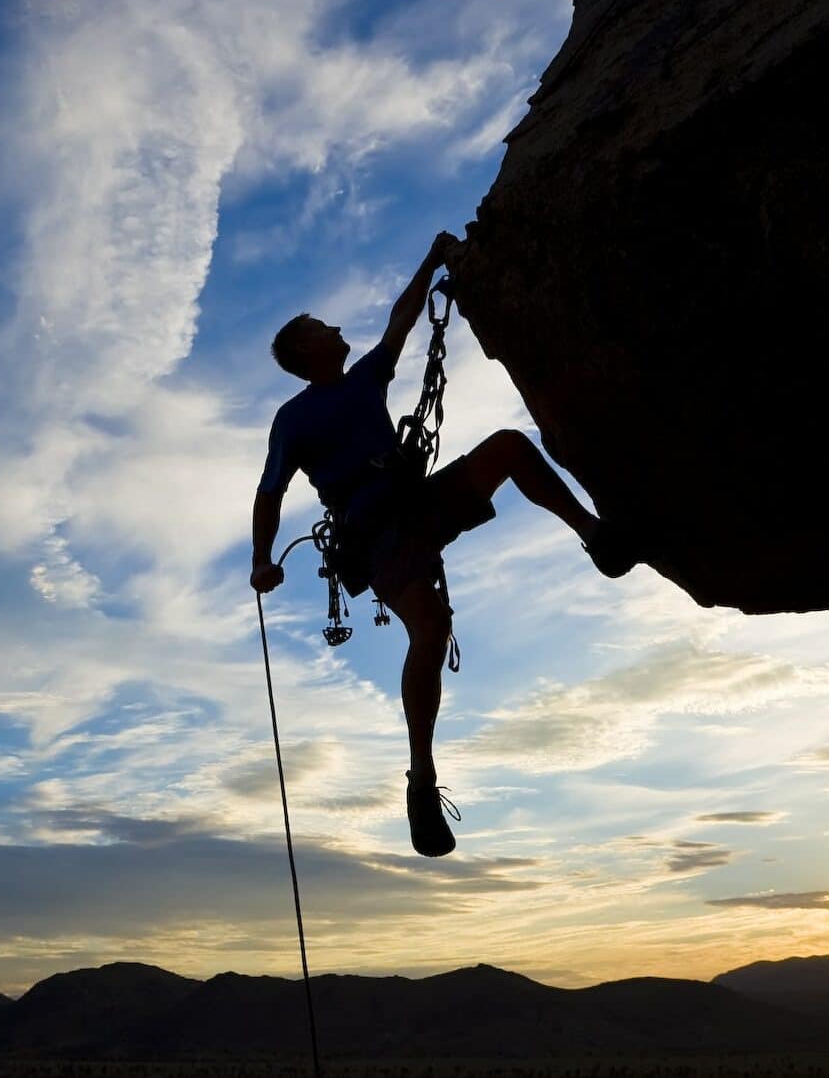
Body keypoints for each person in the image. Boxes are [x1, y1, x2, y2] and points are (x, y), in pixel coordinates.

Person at [248, 230, 639, 857]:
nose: (337, 326)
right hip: (376, 535)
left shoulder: (365, 377)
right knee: (429, 625)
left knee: (510, 447)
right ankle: (421, 778)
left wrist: (431, 259)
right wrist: (261, 560)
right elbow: (269, 494)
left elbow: (402, 320)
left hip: (416, 502)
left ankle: (596, 536)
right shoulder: (294, 419)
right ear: (306, 349)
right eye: (323, 326)